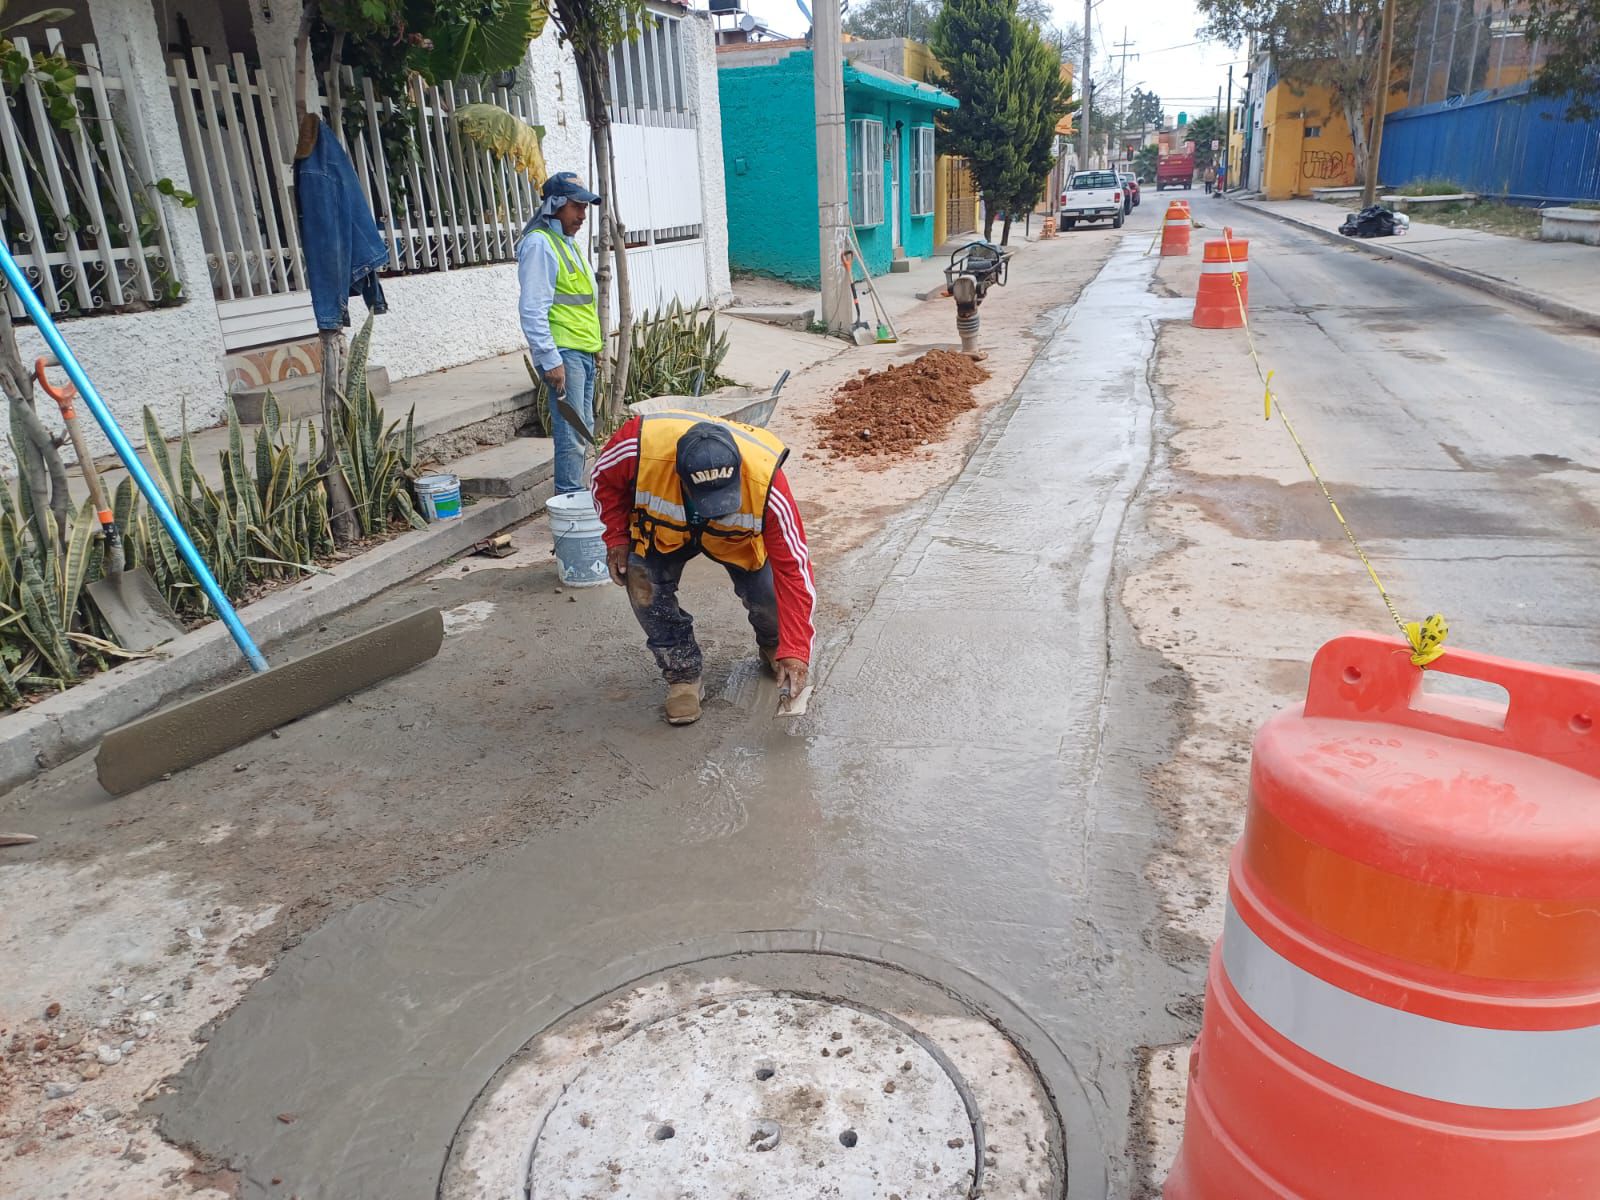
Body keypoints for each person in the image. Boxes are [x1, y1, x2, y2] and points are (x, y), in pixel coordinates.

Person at [592, 411, 816, 726]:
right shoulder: (637, 448)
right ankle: (683, 673)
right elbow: (603, 481)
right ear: (679, 475)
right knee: (641, 582)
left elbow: (794, 570)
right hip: (663, 531)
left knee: (769, 598)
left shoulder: (766, 482)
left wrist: (795, 648)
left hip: (735, 540)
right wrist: (616, 536)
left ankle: (772, 642)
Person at [517, 171, 604, 495]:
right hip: (564, 354)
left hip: (581, 351)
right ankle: (569, 502)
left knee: (583, 429)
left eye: (585, 207)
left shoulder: (566, 243)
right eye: (576, 207)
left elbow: (581, 302)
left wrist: (594, 347)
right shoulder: (540, 244)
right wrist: (549, 358)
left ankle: (577, 497)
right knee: (571, 434)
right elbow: (532, 308)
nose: (582, 215)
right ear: (554, 205)